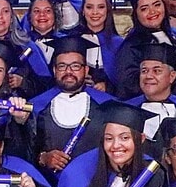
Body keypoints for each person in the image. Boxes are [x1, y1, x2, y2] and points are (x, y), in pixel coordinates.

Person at [31, 35, 116, 177]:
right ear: (54, 70)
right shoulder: (37, 107)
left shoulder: (108, 106)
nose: (68, 72)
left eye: (75, 66)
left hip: (96, 183)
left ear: (86, 70)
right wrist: (43, 158)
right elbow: (26, 149)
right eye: (62, 66)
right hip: (51, 186)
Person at [111, 0, 176, 100]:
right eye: (144, 8)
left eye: (157, 5)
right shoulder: (132, 45)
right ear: (136, 14)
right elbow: (129, 84)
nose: (152, 12)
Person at [73, 0, 123, 92]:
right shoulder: (73, 41)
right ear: (83, 11)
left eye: (101, 7)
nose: (95, 12)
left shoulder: (119, 44)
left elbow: (123, 79)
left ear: (107, 10)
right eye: (89, 7)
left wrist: (107, 87)